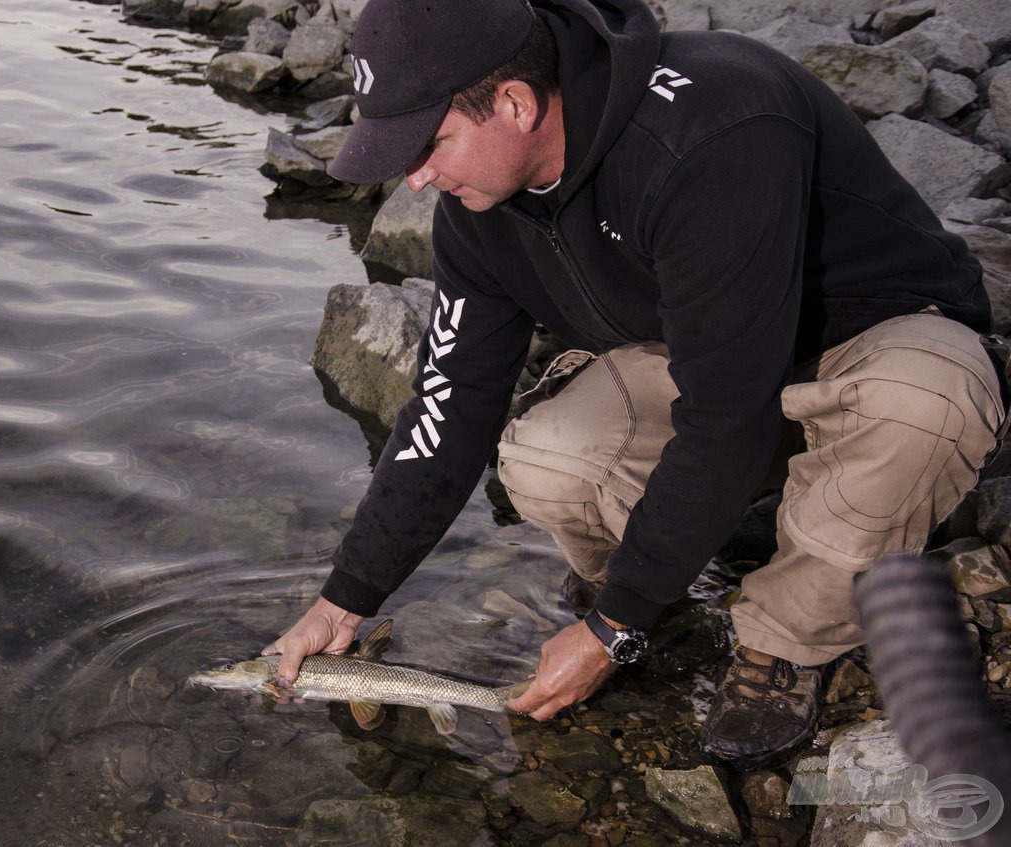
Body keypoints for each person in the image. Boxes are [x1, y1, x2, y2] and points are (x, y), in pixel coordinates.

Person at [264, 0, 1007, 769]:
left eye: (429, 144)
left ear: (515, 103)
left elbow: (727, 417)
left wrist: (616, 624)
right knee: (544, 454)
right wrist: (348, 595)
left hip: (867, 343)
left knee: (930, 405)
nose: (415, 178)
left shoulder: (712, 129)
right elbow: (446, 409)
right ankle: (665, 583)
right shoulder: (478, 213)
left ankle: (785, 641)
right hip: (706, 356)